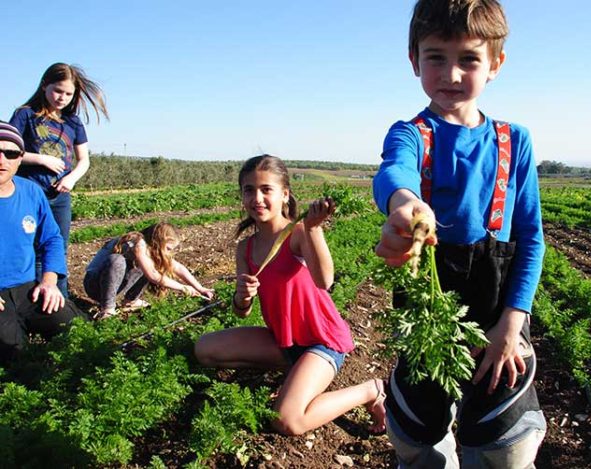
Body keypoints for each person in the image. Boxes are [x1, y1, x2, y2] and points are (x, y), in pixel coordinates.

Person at [372, 0, 546, 467]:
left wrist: (513, 323)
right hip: (431, 305)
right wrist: (406, 206)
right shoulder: (411, 133)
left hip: (497, 311)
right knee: (416, 430)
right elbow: (394, 172)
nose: (451, 73)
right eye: (435, 57)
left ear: (495, 64)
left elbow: (530, 238)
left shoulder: (515, 141)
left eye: (468, 58)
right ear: (414, 61)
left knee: (504, 439)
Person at [195, 155, 386, 435]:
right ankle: (297, 368)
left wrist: (314, 228)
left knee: (287, 420)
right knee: (205, 350)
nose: (257, 198)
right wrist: (243, 296)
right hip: (283, 340)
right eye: (249, 190)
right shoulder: (245, 249)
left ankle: (371, 390)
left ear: (285, 194)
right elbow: (241, 311)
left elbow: (325, 281)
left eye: (266, 189)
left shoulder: (296, 233)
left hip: (322, 341)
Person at [10, 63, 109, 297]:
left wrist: (72, 179)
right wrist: (41, 159)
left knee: (57, 248)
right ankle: (31, 300)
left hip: (60, 196)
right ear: (45, 85)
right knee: (32, 248)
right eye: (58, 91)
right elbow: (8, 150)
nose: (62, 98)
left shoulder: (72, 122)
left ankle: (59, 300)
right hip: (31, 194)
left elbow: (83, 160)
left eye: (68, 93)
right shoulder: (25, 114)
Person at [0, 122, 87, 364]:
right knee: (13, 357)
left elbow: (51, 239)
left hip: (27, 288)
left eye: (10, 153)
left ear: (20, 159)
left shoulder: (31, 192)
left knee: (78, 330)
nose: (2, 160)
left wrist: (49, 282)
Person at [83, 222, 215, 320]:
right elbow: (153, 276)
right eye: (168, 248)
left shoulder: (150, 249)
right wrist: (182, 288)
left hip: (115, 285)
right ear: (158, 241)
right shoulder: (138, 243)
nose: (170, 253)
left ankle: (130, 301)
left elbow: (178, 267)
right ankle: (108, 309)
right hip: (95, 285)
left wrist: (200, 288)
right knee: (117, 261)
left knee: (150, 263)